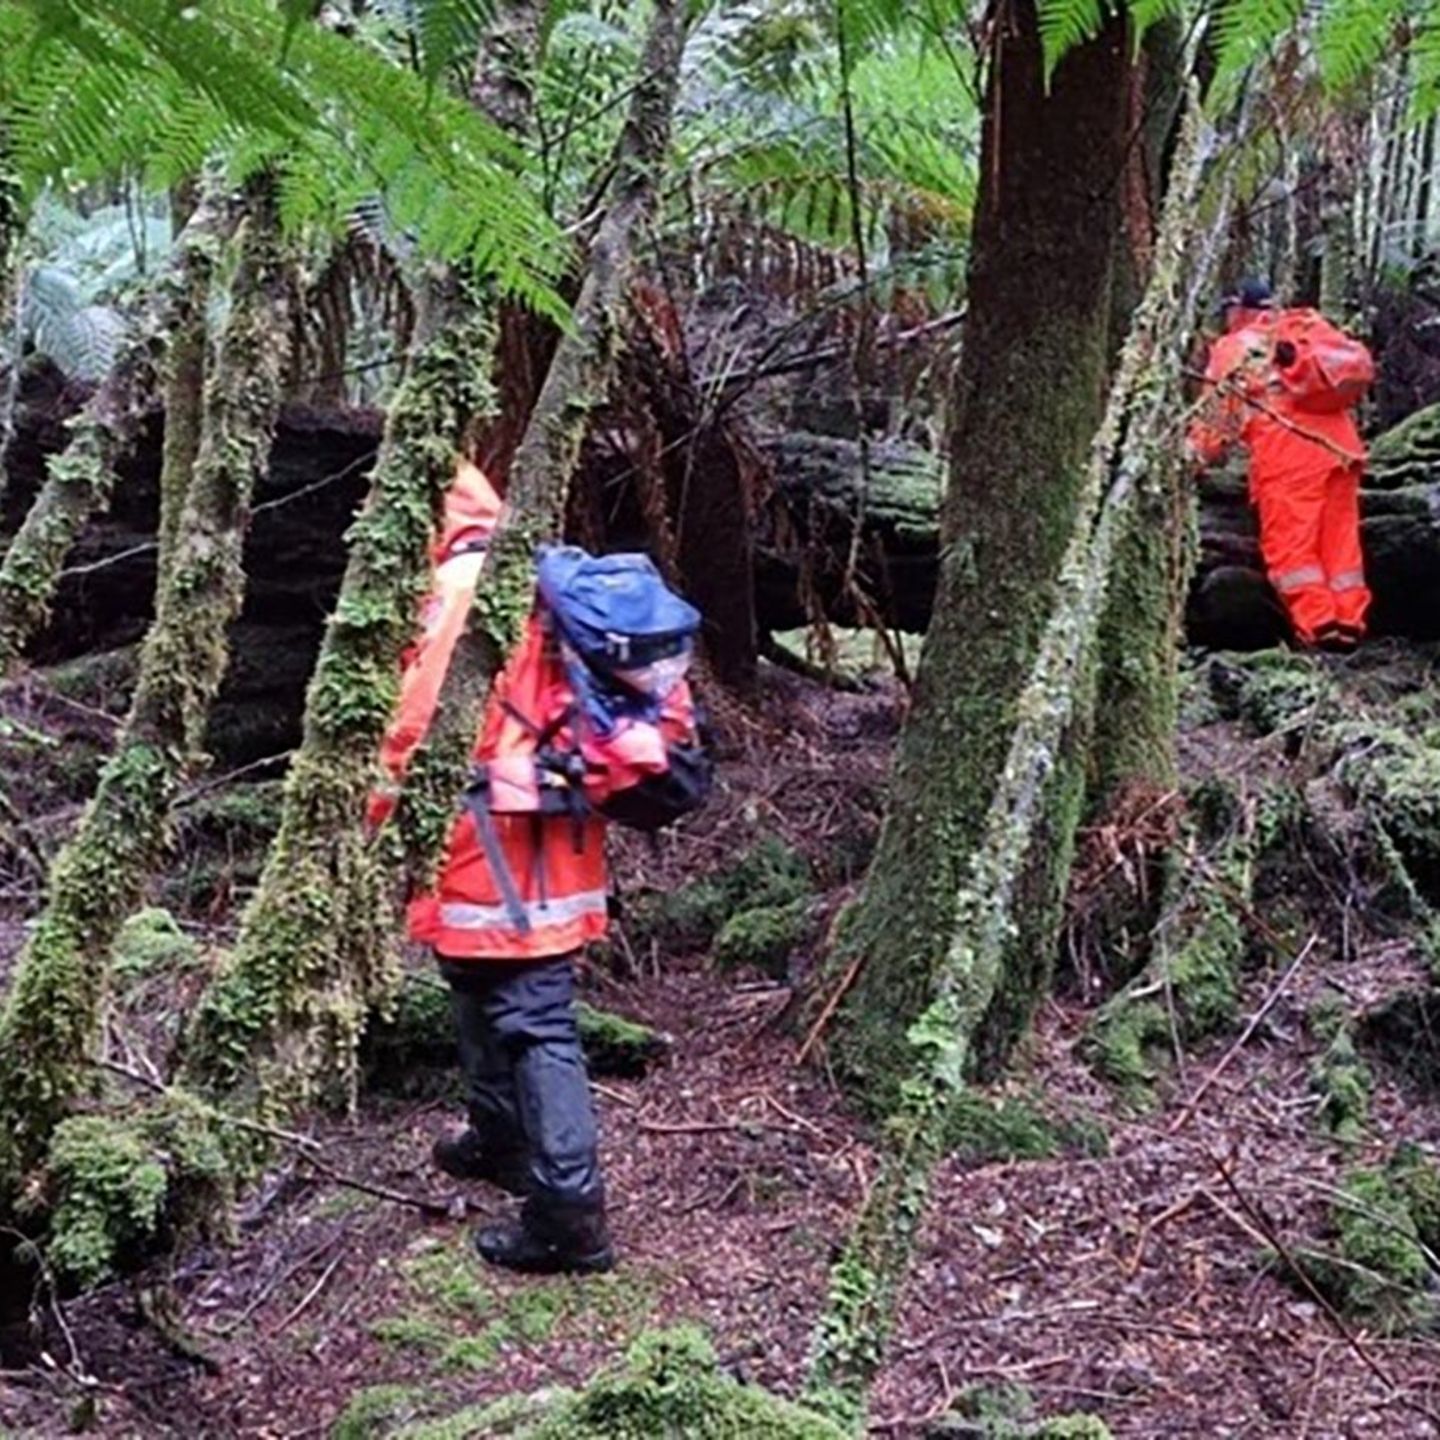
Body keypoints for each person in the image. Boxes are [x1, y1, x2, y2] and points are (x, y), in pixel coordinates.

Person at [367, 459, 700, 1275]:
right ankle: (501, 1140)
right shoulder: (526, 574)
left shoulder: (459, 590)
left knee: (535, 1015)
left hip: (497, 845)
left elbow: (414, 723)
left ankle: (569, 1215)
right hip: (543, 836)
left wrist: (376, 821)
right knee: (478, 986)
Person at [1188, 277, 1373, 651]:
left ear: (1239, 311)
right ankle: (1349, 621)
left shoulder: (1236, 347)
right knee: (1339, 544)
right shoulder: (1305, 328)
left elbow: (1217, 422)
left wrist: (1189, 460)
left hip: (1289, 457)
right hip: (1341, 448)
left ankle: (1318, 626)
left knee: (1292, 548)